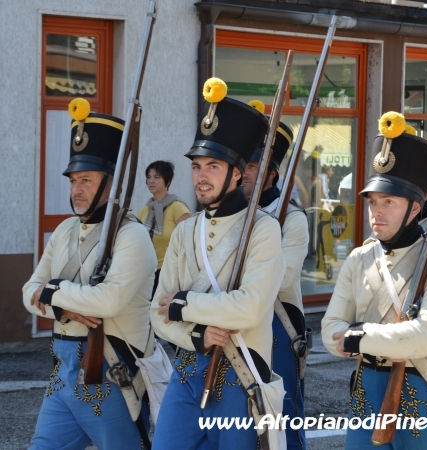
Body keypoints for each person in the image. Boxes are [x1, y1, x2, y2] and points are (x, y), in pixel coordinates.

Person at [150, 78, 285, 448]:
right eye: (196, 166)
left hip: (239, 376)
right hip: (188, 369)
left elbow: (249, 308)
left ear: (237, 173)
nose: (201, 176)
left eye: (213, 166)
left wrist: (185, 304)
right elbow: (157, 311)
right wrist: (195, 333)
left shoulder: (263, 229)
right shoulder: (186, 230)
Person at [322, 112, 427, 448]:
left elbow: (426, 336)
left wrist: (357, 336)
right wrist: (353, 339)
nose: (377, 211)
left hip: (424, 385)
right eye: (374, 202)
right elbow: (331, 328)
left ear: (415, 208)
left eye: (389, 201)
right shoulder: (360, 257)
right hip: (366, 387)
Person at [22, 99, 157, 449]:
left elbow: (108, 300)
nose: (76, 189)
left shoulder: (133, 235)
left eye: (86, 180)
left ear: (110, 184)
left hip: (111, 371)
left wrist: (51, 294)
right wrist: (64, 306)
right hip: (63, 367)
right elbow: (28, 290)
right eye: (73, 180)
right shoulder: (66, 230)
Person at [241, 119, 310, 450]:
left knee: (283, 420)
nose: (244, 172)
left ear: (272, 174)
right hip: (236, 321)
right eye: (243, 164)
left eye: (253, 165)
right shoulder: (230, 214)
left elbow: (282, 279)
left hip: (278, 324)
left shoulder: (292, 218)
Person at [138, 160, 191, 296]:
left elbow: (189, 244)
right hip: (145, 271)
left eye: (157, 177)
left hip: (168, 272)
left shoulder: (178, 208)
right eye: (148, 177)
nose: (151, 181)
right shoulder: (145, 210)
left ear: (167, 181)